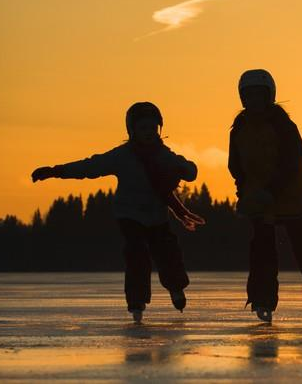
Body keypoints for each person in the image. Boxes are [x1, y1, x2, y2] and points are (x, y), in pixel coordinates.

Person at [31, 102, 202, 324]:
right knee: (136, 254)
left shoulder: (164, 155)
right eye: (143, 129)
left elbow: (190, 172)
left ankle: (176, 288)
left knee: (167, 252)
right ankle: (137, 301)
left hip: (157, 216)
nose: (148, 133)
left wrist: (185, 168)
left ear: (158, 129)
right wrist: (56, 171)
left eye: (152, 128)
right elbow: (90, 167)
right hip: (129, 215)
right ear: (132, 131)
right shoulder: (122, 156)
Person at [229, 68, 302, 323]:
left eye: (258, 96)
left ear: (269, 96)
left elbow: (296, 161)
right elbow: (236, 165)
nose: (254, 102)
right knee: (261, 252)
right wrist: (244, 192)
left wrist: (270, 192)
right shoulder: (239, 127)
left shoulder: (283, 125)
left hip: (292, 198)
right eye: (248, 96)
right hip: (260, 201)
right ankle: (262, 300)